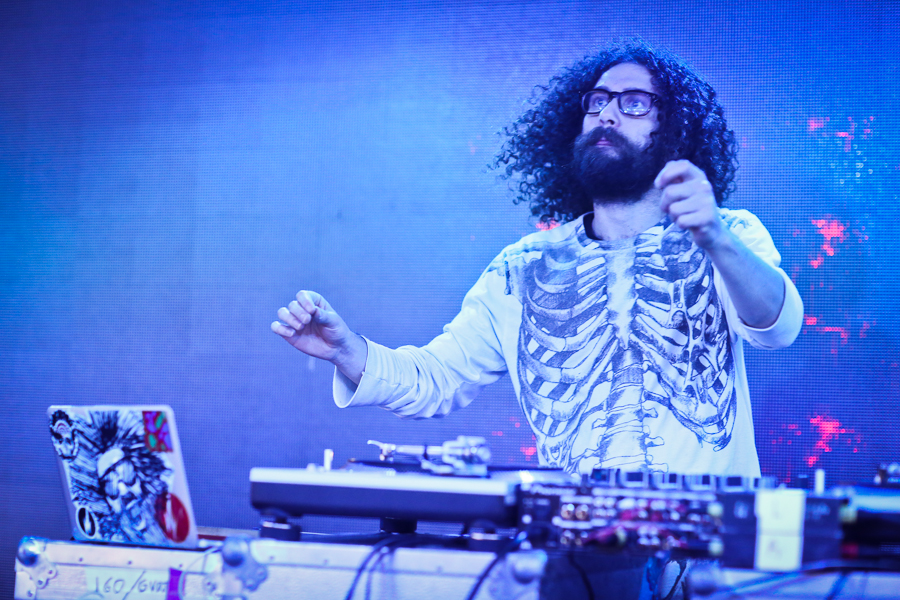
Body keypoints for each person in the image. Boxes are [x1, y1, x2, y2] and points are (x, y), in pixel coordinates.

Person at [271, 39, 803, 478]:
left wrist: (714, 238)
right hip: (577, 547)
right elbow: (436, 377)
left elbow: (778, 329)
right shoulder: (521, 268)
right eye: (597, 102)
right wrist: (348, 350)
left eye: (633, 103)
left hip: (710, 548)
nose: (607, 113)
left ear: (676, 128)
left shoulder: (732, 235)